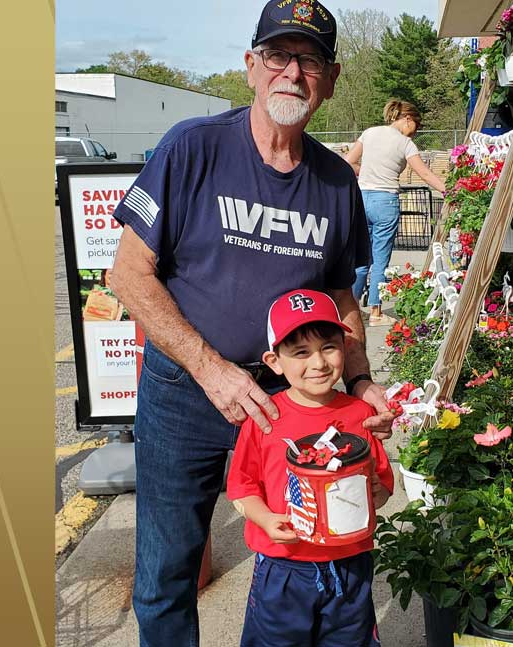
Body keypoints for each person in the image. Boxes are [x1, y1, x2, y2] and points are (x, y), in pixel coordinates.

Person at [106, 2, 394, 644]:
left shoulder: (335, 181)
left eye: (310, 60)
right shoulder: (192, 147)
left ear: (331, 79)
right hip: (185, 394)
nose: (292, 72)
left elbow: (341, 295)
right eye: (278, 55)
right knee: (167, 571)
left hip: (286, 403)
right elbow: (126, 274)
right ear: (251, 66)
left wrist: (360, 380)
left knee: (297, 547)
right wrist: (211, 370)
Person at [226, 289, 393, 646]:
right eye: (301, 352)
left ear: (345, 348)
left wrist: (375, 494)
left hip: (349, 563)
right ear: (274, 361)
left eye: (328, 347)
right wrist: (265, 519)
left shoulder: (361, 414)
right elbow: (242, 488)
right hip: (284, 566)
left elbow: (381, 484)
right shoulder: (265, 417)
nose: (318, 363)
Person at [345, 100, 448, 325]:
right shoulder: (405, 144)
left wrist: (366, 171)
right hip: (385, 201)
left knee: (361, 258)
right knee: (380, 260)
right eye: (416, 126)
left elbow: (347, 162)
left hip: (361, 199)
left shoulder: (369, 133)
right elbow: (425, 174)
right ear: (407, 119)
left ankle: (351, 312)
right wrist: (447, 190)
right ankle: (376, 312)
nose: (415, 132)